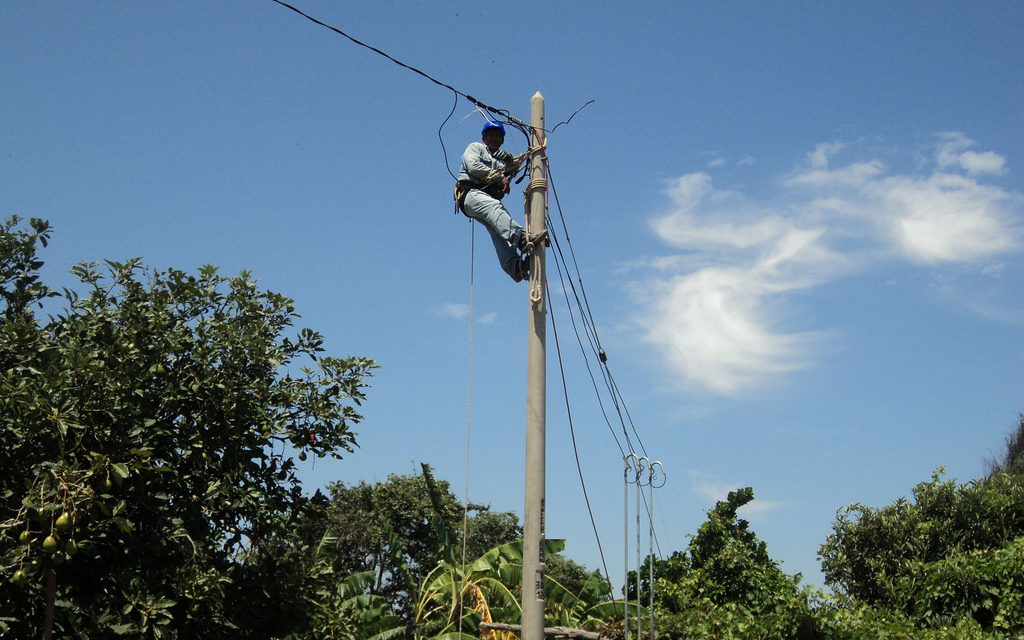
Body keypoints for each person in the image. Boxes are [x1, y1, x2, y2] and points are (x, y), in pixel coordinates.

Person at [456, 121, 546, 282]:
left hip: (483, 197)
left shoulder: (502, 163)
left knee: (498, 228)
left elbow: (513, 167)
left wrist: (518, 162)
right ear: (484, 138)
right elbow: (473, 166)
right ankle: (521, 237)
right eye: (490, 135)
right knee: (495, 208)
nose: (494, 139)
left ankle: (515, 267)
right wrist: (499, 177)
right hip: (469, 194)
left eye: (498, 136)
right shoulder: (476, 148)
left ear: (502, 140)